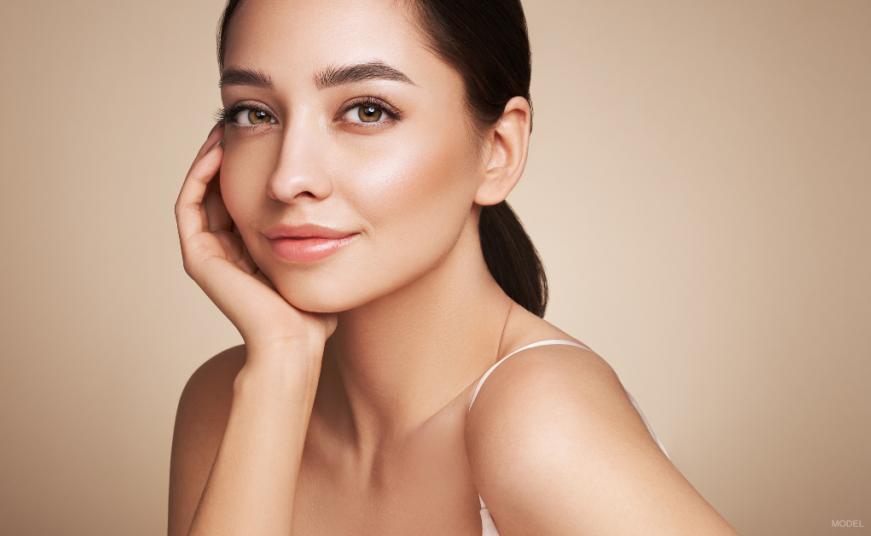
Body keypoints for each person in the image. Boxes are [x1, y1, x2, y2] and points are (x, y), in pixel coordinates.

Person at [169, 0, 739, 534]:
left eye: (368, 111)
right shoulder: (228, 399)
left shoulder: (540, 416)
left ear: (498, 149)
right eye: (254, 113)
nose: (288, 178)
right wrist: (281, 367)